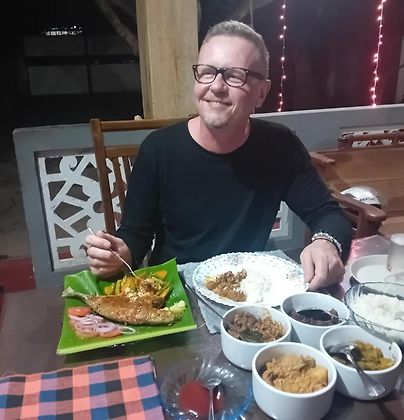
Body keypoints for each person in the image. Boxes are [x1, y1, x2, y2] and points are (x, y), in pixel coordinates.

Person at [86, 20, 352, 291]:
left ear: (262, 92)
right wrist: (118, 254)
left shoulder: (280, 146)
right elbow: (136, 235)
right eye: (207, 72)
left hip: (247, 290)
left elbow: (327, 214)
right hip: (174, 292)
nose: (216, 86)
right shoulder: (157, 149)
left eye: (235, 75)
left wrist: (326, 243)